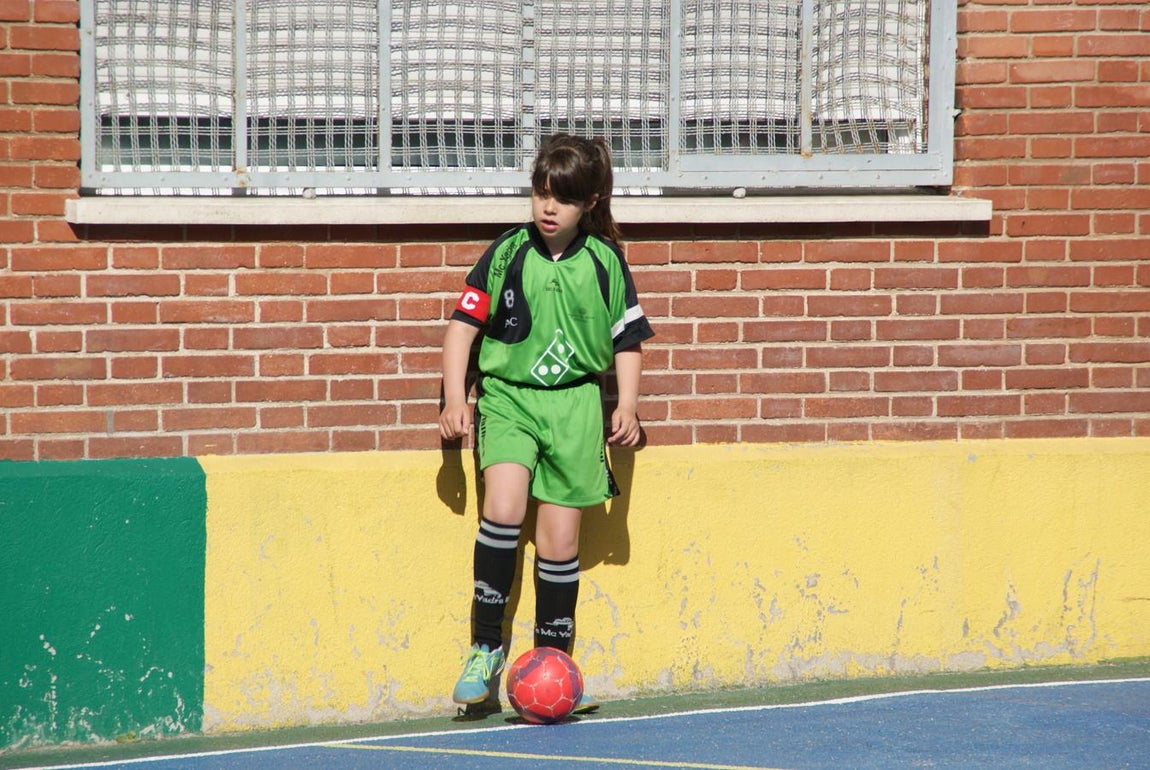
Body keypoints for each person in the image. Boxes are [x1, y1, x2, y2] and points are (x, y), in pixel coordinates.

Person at [439, 133, 654, 712]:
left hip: (577, 407)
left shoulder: (605, 263)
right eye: (540, 194)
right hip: (509, 399)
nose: (548, 207)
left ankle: (551, 664)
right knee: (503, 507)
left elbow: (628, 341)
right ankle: (485, 648)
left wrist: (626, 405)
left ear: (589, 203)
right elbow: (462, 327)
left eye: (562, 197)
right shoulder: (507, 252)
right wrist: (456, 396)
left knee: (560, 544)